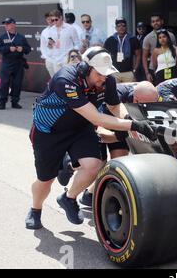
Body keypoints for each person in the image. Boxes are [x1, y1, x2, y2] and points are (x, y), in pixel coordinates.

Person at [26, 47, 157, 230]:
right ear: (86, 69)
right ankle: (35, 209)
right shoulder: (66, 80)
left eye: (106, 74)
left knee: (94, 165)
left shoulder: (107, 79)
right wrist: (134, 126)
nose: (104, 78)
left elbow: (114, 105)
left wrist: (129, 119)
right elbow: (96, 117)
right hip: (49, 131)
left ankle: (69, 198)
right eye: (100, 74)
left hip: (80, 128)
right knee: (46, 179)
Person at [69, 81, 160, 207]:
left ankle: (90, 195)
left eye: (153, 103)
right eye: (146, 104)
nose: (149, 107)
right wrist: (116, 136)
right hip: (100, 122)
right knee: (98, 164)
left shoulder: (150, 94)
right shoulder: (113, 95)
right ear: (135, 99)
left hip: (124, 125)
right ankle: (70, 166)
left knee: (118, 163)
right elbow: (97, 129)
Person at [0, 17, 31, 110]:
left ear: (14, 24)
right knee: (4, 83)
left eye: (8, 24)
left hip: (18, 63)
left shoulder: (21, 37)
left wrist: (22, 49)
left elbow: (28, 49)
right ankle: (2, 102)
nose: (6, 26)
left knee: (17, 83)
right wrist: (7, 49)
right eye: (5, 24)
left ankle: (15, 102)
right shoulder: (2, 37)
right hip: (7, 63)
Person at [104, 17, 142, 83]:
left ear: (126, 27)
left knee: (130, 92)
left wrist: (135, 70)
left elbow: (138, 55)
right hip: (114, 73)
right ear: (116, 28)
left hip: (129, 73)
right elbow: (105, 55)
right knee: (115, 92)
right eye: (119, 26)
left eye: (123, 26)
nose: (121, 27)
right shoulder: (110, 40)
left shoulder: (133, 39)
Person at [44, 10, 80, 77]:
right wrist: (49, 44)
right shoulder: (51, 30)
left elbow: (77, 43)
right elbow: (50, 46)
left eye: (56, 19)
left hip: (67, 58)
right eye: (52, 20)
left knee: (68, 78)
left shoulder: (70, 28)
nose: (54, 22)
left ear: (61, 17)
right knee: (58, 80)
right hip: (56, 59)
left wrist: (73, 55)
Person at [142, 13, 177, 83]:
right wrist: (147, 73)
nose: (155, 23)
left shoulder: (171, 35)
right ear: (151, 24)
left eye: (157, 21)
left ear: (162, 21)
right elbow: (144, 57)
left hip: (171, 68)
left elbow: (175, 52)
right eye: (153, 21)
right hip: (155, 69)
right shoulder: (147, 38)